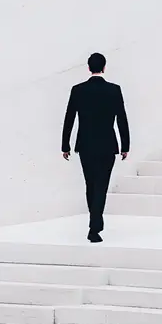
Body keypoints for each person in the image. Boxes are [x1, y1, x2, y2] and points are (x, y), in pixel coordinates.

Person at [61, 53, 130, 243]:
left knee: (90, 184)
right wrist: (125, 145)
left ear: (89, 68)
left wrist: (65, 145)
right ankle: (95, 224)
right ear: (104, 67)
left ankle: (94, 223)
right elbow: (121, 119)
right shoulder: (114, 90)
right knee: (102, 184)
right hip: (108, 145)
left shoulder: (78, 90)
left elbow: (69, 118)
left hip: (85, 145)